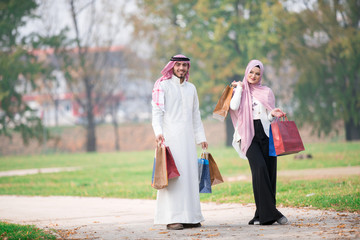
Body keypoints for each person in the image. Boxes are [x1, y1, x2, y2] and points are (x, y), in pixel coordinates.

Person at [151, 54, 208, 230]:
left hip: (188, 140)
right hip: (170, 140)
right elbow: (157, 112)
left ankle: (191, 217)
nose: (182, 68)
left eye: (184, 65)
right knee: (174, 178)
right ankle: (172, 218)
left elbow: (195, 115)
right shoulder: (163, 86)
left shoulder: (191, 88)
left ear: (187, 68)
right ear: (172, 67)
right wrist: (159, 133)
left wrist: (201, 138)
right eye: (178, 65)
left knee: (190, 177)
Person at [229, 59, 288, 225]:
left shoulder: (266, 91)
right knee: (259, 168)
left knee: (268, 173)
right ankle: (273, 214)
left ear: (260, 75)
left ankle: (260, 214)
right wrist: (240, 88)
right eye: (251, 72)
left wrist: (272, 114)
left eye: (257, 73)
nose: (254, 76)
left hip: (266, 134)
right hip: (248, 136)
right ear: (246, 72)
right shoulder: (240, 91)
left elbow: (266, 117)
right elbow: (233, 107)